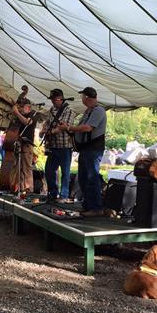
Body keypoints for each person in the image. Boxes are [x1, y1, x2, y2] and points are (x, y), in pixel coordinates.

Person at [59, 87, 107, 217]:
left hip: (93, 149)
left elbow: (87, 128)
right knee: (83, 178)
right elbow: (80, 128)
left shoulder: (99, 110)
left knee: (92, 178)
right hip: (85, 149)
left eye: (82, 97)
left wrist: (68, 127)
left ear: (87, 97)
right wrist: (69, 129)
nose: (81, 100)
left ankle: (96, 208)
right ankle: (88, 205)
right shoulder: (88, 111)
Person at [40, 89, 75, 202]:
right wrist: (44, 129)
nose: (53, 102)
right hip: (53, 146)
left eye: (54, 99)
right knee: (49, 170)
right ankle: (52, 193)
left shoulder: (69, 111)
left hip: (65, 146)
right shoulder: (52, 110)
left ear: (60, 98)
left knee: (65, 172)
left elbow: (63, 127)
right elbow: (47, 122)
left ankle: (64, 196)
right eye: (52, 99)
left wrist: (50, 132)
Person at [11, 98, 38, 192]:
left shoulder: (33, 114)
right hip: (20, 144)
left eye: (22, 107)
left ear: (28, 107)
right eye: (20, 108)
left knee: (26, 168)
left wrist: (17, 113)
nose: (21, 110)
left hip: (27, 145)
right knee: (19, 168)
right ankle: (21, 189)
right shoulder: (23, 115)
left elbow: (27, 122)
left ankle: (29, 190)